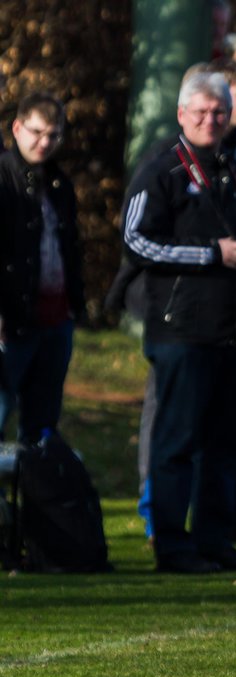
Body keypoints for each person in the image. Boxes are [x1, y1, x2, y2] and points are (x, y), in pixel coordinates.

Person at [120, 71, 236, 573]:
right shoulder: (161, 172)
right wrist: (210, 255)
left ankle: (214, 538)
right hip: (180, 329)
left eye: (219, 112)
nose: (211, 120)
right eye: (200, 112)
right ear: (181, 115)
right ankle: (172, 545)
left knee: (226, 441)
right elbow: (135, 240)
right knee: (176, 441)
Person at [0, 92, 84, 443]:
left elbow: (69, 249)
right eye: (36, 132)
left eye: (53, 135)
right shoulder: (5, 179)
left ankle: (33, 494)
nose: (44, 142)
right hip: (12, 321)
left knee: (42, 429)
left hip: (55, 321)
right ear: (17, 128)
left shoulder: (58, 183)